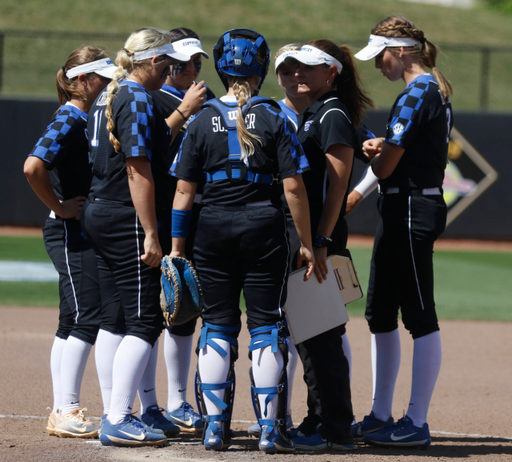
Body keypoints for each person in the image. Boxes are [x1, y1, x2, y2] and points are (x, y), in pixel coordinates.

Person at [170, 28, 315, 454]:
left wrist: (178, 248)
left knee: (217, 326)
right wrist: (306, 242)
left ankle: (216, 428)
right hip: (263, 228)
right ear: (262, 68)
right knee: (267, 326)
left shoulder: (199, 118)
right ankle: (271, 431)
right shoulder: (276, 116)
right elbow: (293, 190)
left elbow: (183, 192)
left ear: (219, 65)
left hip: (212, 229)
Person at [81, 26, 205, 447]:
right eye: (168, 63)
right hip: (124, 215)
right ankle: (118, 417)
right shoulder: (134, 95)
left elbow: (146, 143)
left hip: (100, 209)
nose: (171, 70)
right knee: (145, 320)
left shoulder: (107, 95)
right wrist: (152, 231)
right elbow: (138, 167)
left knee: (115, 317)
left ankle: (124, 410)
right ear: (154, 62)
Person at [352, 15, 453, 448]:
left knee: (419, 317)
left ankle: (416, 422)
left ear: (402, 50)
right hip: (401, 207)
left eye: (382, 55)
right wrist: (383, 151)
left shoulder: (419, 91)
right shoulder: (427, 90)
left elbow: (389, 164)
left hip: (413, 206)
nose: (378, 65)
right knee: (379, 314)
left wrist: (372, 154)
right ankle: (379, 414)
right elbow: (397, 155)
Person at [284, 40, 374, 451]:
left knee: (319, 337)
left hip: (320, 240)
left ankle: (333, 428)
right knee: (312, 335)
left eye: (309, 68)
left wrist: (319, 239)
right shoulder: (319, 111)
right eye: (295, 67)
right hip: (313, 238)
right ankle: (319, 419)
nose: (299, 73)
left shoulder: (333, 112)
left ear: (331, 73)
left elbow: (337, 186)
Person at [24, 47, 117, 438]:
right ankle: (66, 409)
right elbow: (33, 166)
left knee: (74, 317)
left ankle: (64, 407)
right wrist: (60, 207)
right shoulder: (70, 118)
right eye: (104, 77)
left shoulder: (86, 117)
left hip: (76, 230)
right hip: (67, 231)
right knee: (84, 316)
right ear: (83, 80)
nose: (111, 83)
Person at [150, 27, 215, 434]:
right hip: (159, 216)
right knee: (152, 313)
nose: (193, 69)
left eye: (197, 63)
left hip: (194, 217)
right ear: (167, 64)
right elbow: (151, 151)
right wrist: (185, 112)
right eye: (185, 62)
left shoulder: (203, 105)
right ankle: (159, 402)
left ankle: (177, 401)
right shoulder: (156, 100)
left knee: (185, 309)